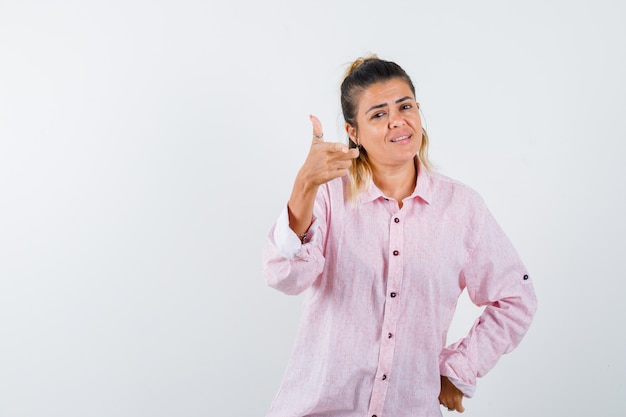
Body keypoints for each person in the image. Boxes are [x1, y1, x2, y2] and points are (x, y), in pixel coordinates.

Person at [262, 55, 537, 417]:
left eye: (405, 106)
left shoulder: (462, 208)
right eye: (378, 114)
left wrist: (460, 368)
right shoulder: (329, 196)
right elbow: (285, 277)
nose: (397, 121)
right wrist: (305, 185)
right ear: (353, 133)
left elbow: (515, 297)